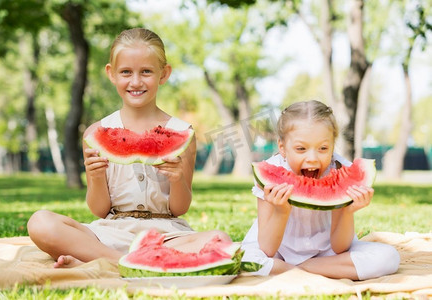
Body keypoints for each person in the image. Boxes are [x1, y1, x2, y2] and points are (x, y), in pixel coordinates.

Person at [27, 28, 231, 268]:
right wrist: (95, 175)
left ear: (163, 74)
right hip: (111, 233)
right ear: (111, 74)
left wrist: (177, 180)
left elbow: (180, 207)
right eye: (126, 72)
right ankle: (129, 262)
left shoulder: (182, 132)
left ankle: (102, 261)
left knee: (221, 240)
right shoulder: (95, 134)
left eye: (146, 72)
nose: (135, 81)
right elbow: (99, 210)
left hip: (166, 235)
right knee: (40, 222)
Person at [241, 100, 400, 280]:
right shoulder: (269, 172)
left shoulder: (341, 169)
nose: (312, 158)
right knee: (247, 260)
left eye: (323, 148)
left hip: (327, 252)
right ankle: (319, 272)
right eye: (301, 148)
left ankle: (293, 270)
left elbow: (340, 247)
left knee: (389, 257)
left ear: (333, 146)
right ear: (282, 148)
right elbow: (267, 249)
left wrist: (348, 211)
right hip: (278, 251)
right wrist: (281, 211)